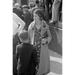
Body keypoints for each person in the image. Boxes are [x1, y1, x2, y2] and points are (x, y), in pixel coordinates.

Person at [28, 9, 52, 75]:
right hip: (34, 48)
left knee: (42, 65)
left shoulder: (45, 25)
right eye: (33, 16)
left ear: (40, 16)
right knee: (34, 64)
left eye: (35, 16)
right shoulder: (31, 25)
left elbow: (50, 37)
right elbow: (29, 37)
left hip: (42, 47)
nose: (34, 18)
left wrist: (46, 40)